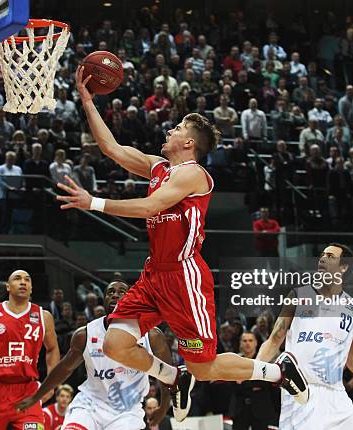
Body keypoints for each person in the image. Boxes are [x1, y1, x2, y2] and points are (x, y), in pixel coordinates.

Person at [54, 66, 309, 422]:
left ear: (188, 143)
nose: (169, 130)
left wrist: (94, 202)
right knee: (114, 344)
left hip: (184, 277)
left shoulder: (194, 174)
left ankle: (277, 371)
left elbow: (150, 207)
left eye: (176, 129)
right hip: (154, 274)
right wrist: (87, 101)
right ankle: (173, 375)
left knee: (204, 367)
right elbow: (111, 149)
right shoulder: (158, 167)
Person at [257, 243, 353, 430]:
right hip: (302, 391)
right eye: (322, 254)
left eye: (331, 256)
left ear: (343, 267)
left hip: (337, 394)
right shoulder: (298, 295)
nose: (323, 258)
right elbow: (274, 340)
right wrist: (255, 368)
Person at [16, 281, 172, 430]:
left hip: (126, 412)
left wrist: (164, 407)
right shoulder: (86, 334)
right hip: (90, 405)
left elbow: (169, 376)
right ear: (104, 300)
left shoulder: (152, 336)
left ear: (131, 299)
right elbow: (65, 368)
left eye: (121, 292)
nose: (115, 295)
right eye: (110, 292)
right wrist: (36, 396)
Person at [0, 270, 60, 430]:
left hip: (27, 391)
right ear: (8, 287)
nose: (23, 282)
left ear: (31, 288)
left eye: (27, 280)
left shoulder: (43, 317)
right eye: (17, 279)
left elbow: (52, 348)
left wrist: (51, 382)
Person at [231, 332, 280, 429]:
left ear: (256, 343)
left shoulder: (263, 361)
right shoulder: (235, 361)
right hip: (240, 409)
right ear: (240, 343)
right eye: (244, 341)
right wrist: (254, 383)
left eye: (250, 340)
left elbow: (265, 383)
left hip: (261, 409)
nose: (247, 343)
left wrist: (243, 381)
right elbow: (232, 385)